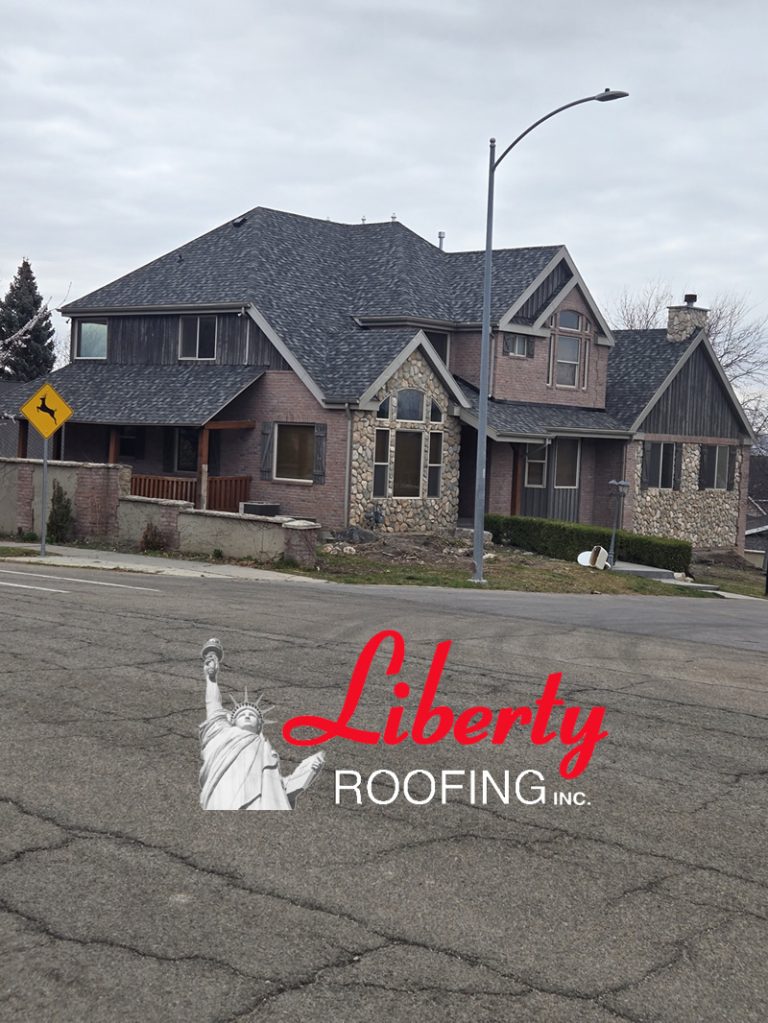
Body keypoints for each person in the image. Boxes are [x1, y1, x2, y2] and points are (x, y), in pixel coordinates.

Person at [198, 639, 324, 810]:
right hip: (225, 792)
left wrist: (306, 772)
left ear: (259, 726)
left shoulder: (265, 749)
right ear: (232, 722)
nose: (247, 716)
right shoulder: (222, 732)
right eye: (242, 714)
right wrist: (211, 679)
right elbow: (213, 705)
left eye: (252, 715)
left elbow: (279, 789)